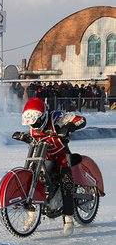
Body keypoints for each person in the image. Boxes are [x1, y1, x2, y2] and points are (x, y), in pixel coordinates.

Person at [15, 97, 86, 236]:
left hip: (61, 155)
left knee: (66, 180)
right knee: (32, 176)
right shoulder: (33, 124)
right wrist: (24, 137)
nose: (35, 127)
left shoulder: (56, 117)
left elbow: (80, 119)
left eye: (37, 123)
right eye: (32, 124)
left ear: (43, 116)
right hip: (43, 156)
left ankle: (68, 217)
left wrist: (68, 127)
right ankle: (32, 215)